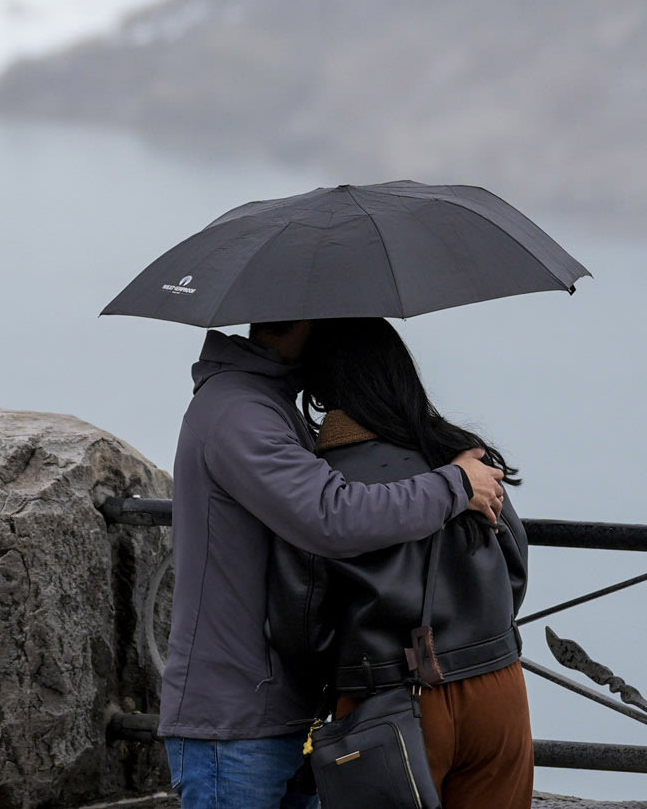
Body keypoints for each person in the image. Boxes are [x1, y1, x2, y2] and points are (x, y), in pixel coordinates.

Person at [160, 321, 506, 809]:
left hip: (279, 710)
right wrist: (455, 484)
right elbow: (331, 516)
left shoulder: (265, 402)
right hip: (235, 723)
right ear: (303, 319)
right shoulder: (239, 411)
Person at [280, 318, 533, 809]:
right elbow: (515, 566)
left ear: (319, 390)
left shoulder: (319, 484)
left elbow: (301, 620)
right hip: (496, 685)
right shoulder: (461, 457)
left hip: (383, 700)